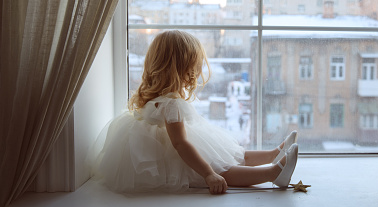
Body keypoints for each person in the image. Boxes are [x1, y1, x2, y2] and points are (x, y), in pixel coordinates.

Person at [89, 30, 298, 194]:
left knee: (229, 154)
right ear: (182, 68)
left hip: (172, 145)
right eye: (196, 64)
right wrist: (208, 174)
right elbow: (180, 144)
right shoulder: (171, 104)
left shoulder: (158, 97)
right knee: (222, 169)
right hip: (175, 156)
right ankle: (273, 173)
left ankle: (272, 155)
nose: (199, 70)